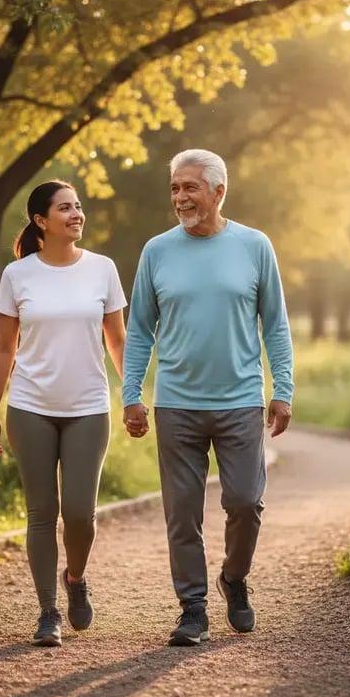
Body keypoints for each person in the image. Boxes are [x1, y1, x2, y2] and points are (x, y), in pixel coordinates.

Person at [122, 148, 293, 647]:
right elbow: (139, 331)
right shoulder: (156, 250)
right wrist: (132, 394)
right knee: (182, 511)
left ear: (219, 192)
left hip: (240, 399)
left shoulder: (255, 246)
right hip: (176, 402)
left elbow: (276, 326)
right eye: (175, 188)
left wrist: (283, 389)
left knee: (244, 501)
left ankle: (234, 581)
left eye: (190, 187)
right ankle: (192, 608)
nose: (180, 197)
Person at [0, 179, 127, 648]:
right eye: (65, 208)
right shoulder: (17, 275)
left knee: (80, 513)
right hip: (30, 406)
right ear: (42, 221)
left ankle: (76, 578)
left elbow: (118, 340)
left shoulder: (103, 269)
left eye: (78, 206)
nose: (76, 214)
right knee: (41, 512)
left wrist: (134, 396)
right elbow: (5, 349)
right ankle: (48, 612)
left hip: (87, 406)